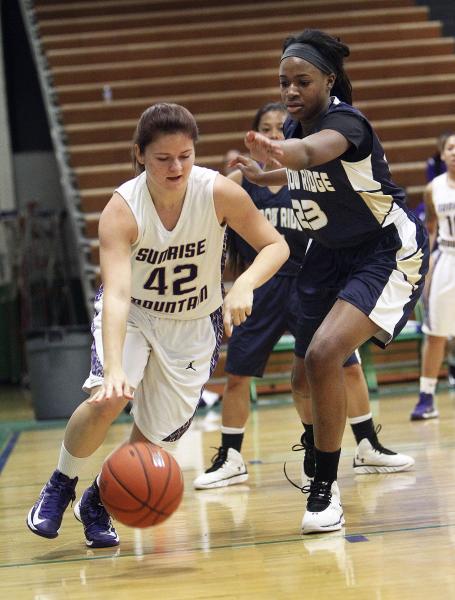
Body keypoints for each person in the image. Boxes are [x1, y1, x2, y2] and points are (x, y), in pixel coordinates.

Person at [26, 103, 289, 548]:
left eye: (185, 155)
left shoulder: (219, 192)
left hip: (193, 323)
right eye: (164, 158)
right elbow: (118, 296)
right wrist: (113, 368)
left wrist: (243, 285)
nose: (177, 166)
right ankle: (61, 482)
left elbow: (275, 245)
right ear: (140, 155)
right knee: (109, 398)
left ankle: (98, 502)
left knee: (151, 443)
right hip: (134, 315)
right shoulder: (122, 209)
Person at [231, 29, 429, 533]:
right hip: (330, 253)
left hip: (384, 250)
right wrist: (263, 175)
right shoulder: (298, 126)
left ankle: (324, 484)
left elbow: (309, 156)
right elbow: (298, 171)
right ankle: (328, 447)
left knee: (325, 354)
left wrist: (280, 152)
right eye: (283, 82)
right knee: (301, 380)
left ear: (329, 79)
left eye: (302, 81)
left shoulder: (345, 123)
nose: (290, 91)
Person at [193, 102, 414, 491]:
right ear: (256, 133)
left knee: (344, 364)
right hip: (263, 285)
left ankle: (366, 444)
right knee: (239, 371)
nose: (276, 133)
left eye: (281, 127)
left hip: (312, 276)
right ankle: (231, 454)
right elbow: (223, 236)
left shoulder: (313, 174)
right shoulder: (246, 182)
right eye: (267, 127)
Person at [410, 132, 455, 420]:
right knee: (436, 332)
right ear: (442, 155)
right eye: (450, 148)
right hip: (448, 259)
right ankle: (426, 397)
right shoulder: (433, 189)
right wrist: (424, 272)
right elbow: (430, 232)